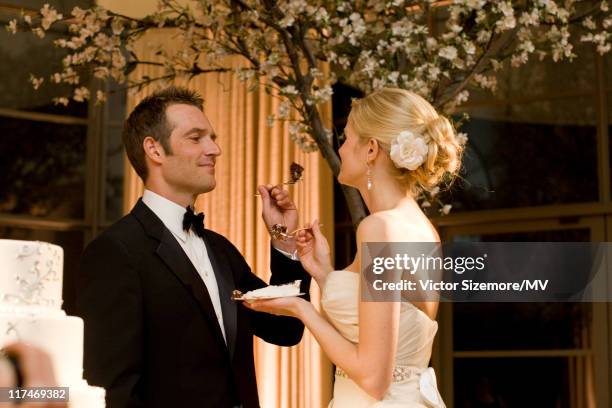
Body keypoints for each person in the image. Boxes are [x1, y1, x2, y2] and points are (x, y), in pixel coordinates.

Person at [77, 86, 311, 408]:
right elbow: (112, 389)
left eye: (212, 137)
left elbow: (286, 327)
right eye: (196, 137)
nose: (215, 149)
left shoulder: (220, 249)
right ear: (154, 150)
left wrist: (283, 241)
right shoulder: (115, 252)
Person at [244, 88, 463, 407]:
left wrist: (300, 309)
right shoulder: (419, 227)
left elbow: (374, 379)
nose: (341, 149)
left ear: (371, 149)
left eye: (346, 139)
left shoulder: (380, 228)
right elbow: (390, 331)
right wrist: (324, 274)